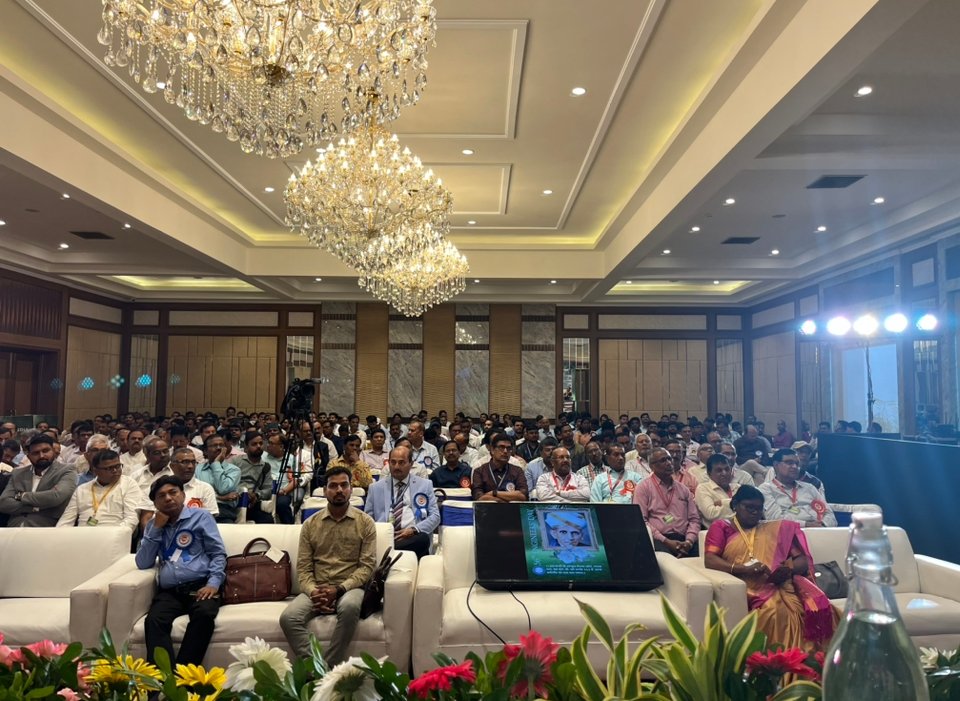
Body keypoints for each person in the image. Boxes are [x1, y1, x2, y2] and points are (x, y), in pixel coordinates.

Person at [704, 486, 837, 651]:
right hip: (746, 583)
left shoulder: (775, 529)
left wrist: (789, 569)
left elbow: (801, 559)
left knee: (815, 605)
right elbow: (710, 559)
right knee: (776, 611)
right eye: (749, 507)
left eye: (759, 509)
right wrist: (742, 569)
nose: (754, 512)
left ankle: (814, 661)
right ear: (735, 505)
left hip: (780, 582)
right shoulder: (722, 527)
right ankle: (781, 665)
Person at [280, 468, 376, 666]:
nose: (339, 490)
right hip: (317, 587)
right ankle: (316, 669)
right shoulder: (310, 524)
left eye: (344, 485)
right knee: (289, 618)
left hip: (349, 587)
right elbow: (304, 568)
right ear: (324, 491)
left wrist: (338, 590)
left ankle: (328, 668)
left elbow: (366, 567)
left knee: (349, 607)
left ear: (351, 489)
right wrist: (314, 592)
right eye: (333, 486)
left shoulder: (365, 523)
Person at [136, 475, 226, 665]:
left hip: (201, 586)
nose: (168, 498)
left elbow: (217, 553)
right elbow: (143, 562)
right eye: (161, 496)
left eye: (173, 492)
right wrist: (155, 529)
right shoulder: (154, 526)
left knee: (204, 615)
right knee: (154, 621)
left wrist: (213, 583)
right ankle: (161, 684)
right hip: (170, 592)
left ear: (183, 494)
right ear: (155, 503)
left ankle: (183, 680)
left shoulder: (201, 516)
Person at [364, 445, 440, 559]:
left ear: (411, 464)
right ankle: (390, 549)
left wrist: (414, 530)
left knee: (422, 539)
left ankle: (390, 552)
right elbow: (367, 519)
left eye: (401, 463)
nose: (396, 466)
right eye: (393, 462)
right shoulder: (375, 488)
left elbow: (435, 516)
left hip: (413, 537)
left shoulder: (425, 485)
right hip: (385, 536)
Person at [56, 449, 150, 531]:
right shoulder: (82, 489)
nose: (115, 471)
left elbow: (131, 518)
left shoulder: (129, 484)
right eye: (109, 468)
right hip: (83, 535)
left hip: (114, 534)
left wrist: (114, 536)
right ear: (95, 470)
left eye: (117, 466)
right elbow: (66, 519)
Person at [633, 447, 700, 557]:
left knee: (702, 561)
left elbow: (694, 519)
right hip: (659, 538)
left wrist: (689, 541)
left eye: (669, 459)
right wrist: (666, 541)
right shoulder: (643, 488)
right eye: (663, 460)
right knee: (668, 562)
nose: (669, 463)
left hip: (684, 538)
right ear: (652, 466)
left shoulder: (683, 489)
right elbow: (641, 520)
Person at [0, 434, 77, 527]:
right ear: (28, 456)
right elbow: (3, 503)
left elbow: (56, 496)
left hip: (45, 530)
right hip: (14, 528)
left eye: (45, 451)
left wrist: (21, 495)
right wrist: (35, 508)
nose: (41, 456)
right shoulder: (18, 473)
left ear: (53, 451)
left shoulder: (66, 470)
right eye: (36, 453)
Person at [759, 449, 836, 527]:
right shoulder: (766, 489)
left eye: (797, 463)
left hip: (818, 531)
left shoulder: (809, 488)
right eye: (789, 463)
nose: (795, 467)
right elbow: (774, 520)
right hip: (787, 535)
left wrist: (823, 525)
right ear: (776, 465)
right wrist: (806, 525)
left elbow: (829, 514)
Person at [471, 432, 529, 501]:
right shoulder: (480, 471)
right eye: (501, 447)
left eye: (508, 448)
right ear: (492, 450)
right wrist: (504, 501)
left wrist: (494, 493)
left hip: (512, 510)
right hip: (488, 510)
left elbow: (523, 496)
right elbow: (479, 497)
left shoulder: (517, 470)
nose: (505, 451)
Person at [695, 453, 742, 528]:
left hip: (742, 531)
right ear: (709, 473)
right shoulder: (703, 489)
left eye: (727, 469)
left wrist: (722, 502)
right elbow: (711, 514)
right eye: (719, 470)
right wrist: (736, 505)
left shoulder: (738, 488)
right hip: (718, 534)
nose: (724, 473)